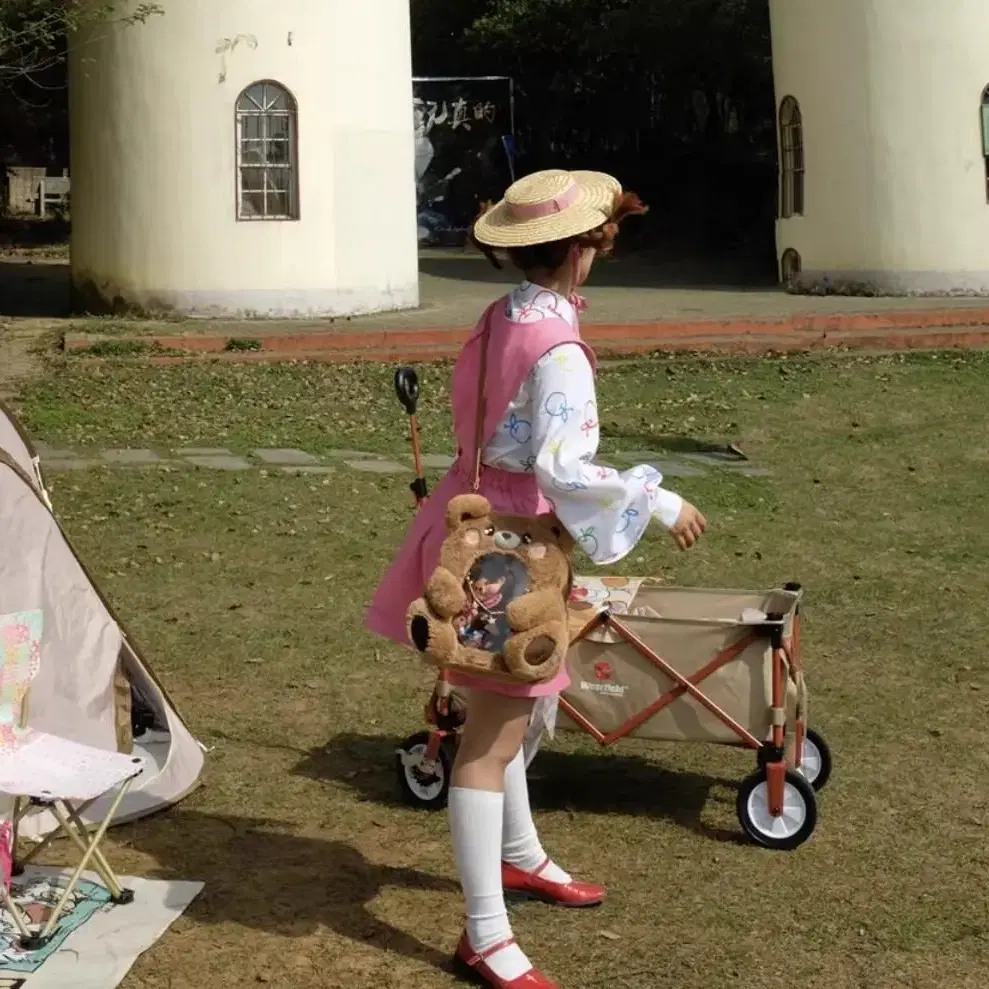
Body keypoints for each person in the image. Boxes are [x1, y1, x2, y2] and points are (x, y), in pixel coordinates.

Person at [365, 169, 707, 989]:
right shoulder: (556, 343)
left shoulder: (502, 315)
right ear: (584, 248)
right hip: (506, 551)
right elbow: (565, 465)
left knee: (505, 711)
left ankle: (518, 857)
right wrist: (655, 498)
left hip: (472, 519)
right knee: (490, 736)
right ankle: (484, 931)